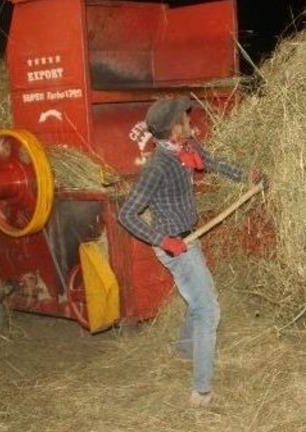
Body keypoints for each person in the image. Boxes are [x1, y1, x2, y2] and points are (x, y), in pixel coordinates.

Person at [118, 97, 262, 407]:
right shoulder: (157, 167)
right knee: (208, 310)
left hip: (190, 240)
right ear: (173, 131)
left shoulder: (187, 147)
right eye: (184, 119)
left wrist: (245, 175)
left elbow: (211, 162)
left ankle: (185, 348)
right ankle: (201, 393)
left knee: (199, 297)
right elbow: (126, 214)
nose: (189, 122)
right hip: (175, 246)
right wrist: (162, 240)